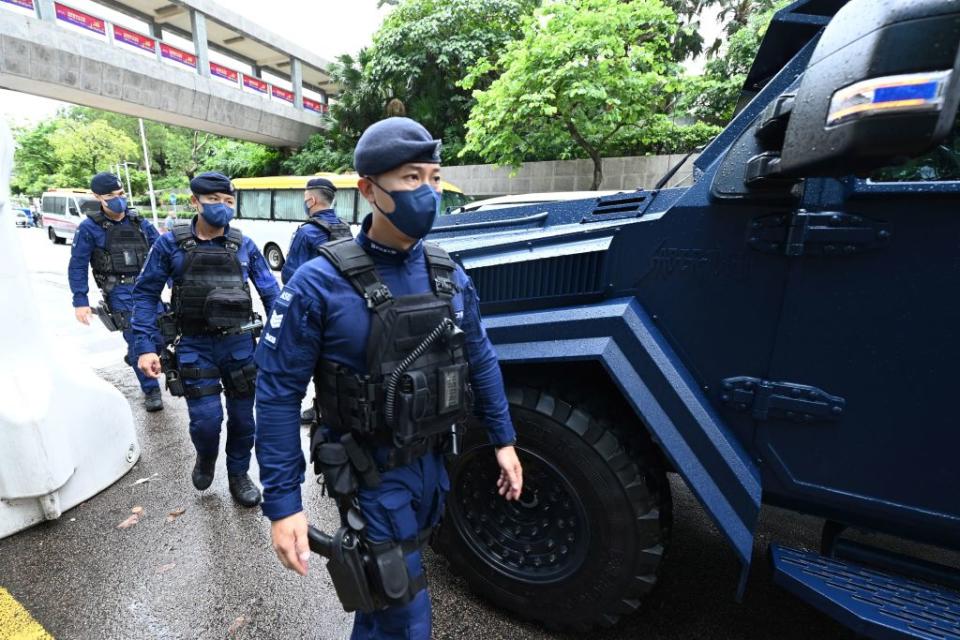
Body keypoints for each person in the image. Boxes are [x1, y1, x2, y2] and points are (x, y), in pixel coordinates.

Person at [255, 117, 524, 639]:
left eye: (434, 177)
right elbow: (278, 395)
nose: (427, 191)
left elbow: (481, 359)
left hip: (431, 465)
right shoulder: (319, 283)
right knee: (406, 615)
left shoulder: (448, 274)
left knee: (383, 604)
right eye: (410, 179)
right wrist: (283, 504)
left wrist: (504, 440)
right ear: (368, 190)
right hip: (370, 474)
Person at [132, 172, 280, 506]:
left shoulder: (244, 246)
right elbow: (144, 295)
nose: (223, 207)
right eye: (214, 200)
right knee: (207, 421)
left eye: (229, 201)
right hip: (195, 346)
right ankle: (206, 456)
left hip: (240, 344)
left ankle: (239, 475)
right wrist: (144, 347)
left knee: (244, 420)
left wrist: (280, 341)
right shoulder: (171, 244)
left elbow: (272, 294)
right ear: (195, 202)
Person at [69, 172, 164, 412]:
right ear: (98, 197)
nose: (118, 200)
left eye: (121, 194)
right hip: (120, 291)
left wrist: (174, 282)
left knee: (162, 335)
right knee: (137, 337)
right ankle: (151, 389)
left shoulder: (140, 222)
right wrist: (80, 300)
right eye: (111, 196)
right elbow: (78, 265)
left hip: (148, 288)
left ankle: (136, 357)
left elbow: (163, 252)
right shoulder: (90, 228)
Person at [280, 177, 351, 285]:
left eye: (305, 198)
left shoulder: (306, 232)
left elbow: (289, 276)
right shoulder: (344, 226)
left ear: (311, 201)